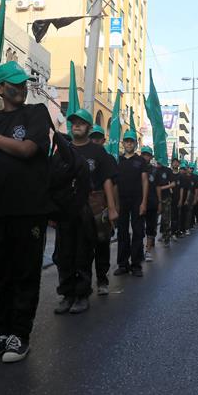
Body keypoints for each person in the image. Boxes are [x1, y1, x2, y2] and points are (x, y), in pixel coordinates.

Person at [0, 62, 51, 363]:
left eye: (22, 83)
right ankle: (2, 332)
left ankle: (20, 334)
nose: (20, 88)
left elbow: (27, 149)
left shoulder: (36, 113)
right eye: (13, 84)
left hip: (29, 209)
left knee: (25, 272)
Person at [57, 109, 118, 311]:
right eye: (73, 122)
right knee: (64, 254)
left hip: (89, 208)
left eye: (81, 123)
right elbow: (54, 181)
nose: (76, 125)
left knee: (83, 252)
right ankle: (67, 295)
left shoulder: (98, 152)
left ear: (89, 127)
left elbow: (107, 181)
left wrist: (111, 208)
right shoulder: (62, 150)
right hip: (65, 209)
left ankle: (82, 295)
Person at [114, 130, 148, 277]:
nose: (129, 143)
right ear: (123, 143)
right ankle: (123, 264)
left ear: (135, 143)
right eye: (126, 141)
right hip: (121, 201)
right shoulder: (118, 161)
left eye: (131, 141)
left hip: (137, 201)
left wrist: (144, 203)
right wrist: (115, 204)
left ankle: (136, 265)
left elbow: (145, 182)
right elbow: (114, 183)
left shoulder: (140, 161)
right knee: (122, 232)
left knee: (138, 232)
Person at [88, 124, 112, 293]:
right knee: (84, 246)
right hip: (82, 205)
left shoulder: (108, 158)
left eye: (98, 138)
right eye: (93, 137)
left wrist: (113, 207)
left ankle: (102, 280)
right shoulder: (79, 154)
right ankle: (84, 283)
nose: (95, 141)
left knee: (102, 243)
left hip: (101, 205)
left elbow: (112, 184)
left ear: (104, 140)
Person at [140, 146, 159, 261]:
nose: (145, 157)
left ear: (151, 157)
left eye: (147, 155)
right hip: (139, 202)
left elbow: (158, 187)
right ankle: (138, 250)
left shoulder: (155, 170)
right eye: (143, 154)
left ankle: (148, 250)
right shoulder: (136, 167)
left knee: (151, 227)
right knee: (139, 228)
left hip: (152, 202)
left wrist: (160, 202)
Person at [155, 153, 175, 247]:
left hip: (166, 197)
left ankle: (166, 238)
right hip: (154, 198)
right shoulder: (153, 169)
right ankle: (151, 242)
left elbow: (173, 184)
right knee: (153, 220)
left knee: (166, 219)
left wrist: (162, 188)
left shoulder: (168, 170)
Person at [169, 157, 183, 239]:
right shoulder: (169, 173)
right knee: (167, 216)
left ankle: (174, 232)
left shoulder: (180, 176)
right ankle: (166, 234)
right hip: (168, 198)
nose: (175, 163)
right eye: (174, 162)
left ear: (179, 164)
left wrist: (181, 199)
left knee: (175, 216)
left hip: (177, 198)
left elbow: (181, 188)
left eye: (177, 162)